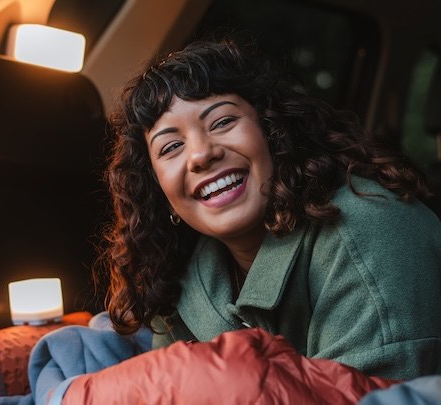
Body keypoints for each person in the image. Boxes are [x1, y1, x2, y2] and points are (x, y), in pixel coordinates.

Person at [99, 37, 441, 380]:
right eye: (171, 146)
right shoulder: (179, 273)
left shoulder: (370, 232)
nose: (201, 154)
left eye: (221, 122)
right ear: (159, 189)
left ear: (273, 130)